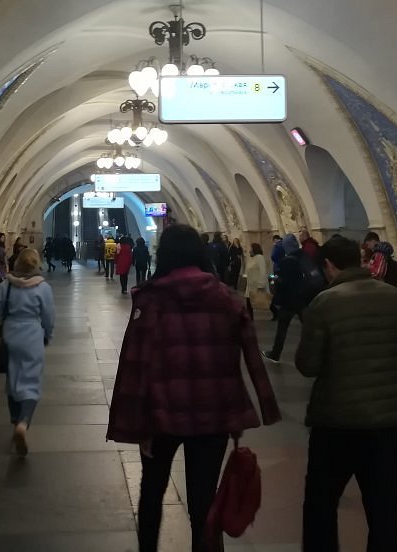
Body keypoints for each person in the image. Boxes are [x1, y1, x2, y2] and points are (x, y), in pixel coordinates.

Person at [107, 224, 282, 552]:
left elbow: (135, 364)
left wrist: (134, 423)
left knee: (152, 491)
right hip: (212, 414)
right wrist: (261, 406)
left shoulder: (150, 298)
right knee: (204, 500)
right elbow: (251, 361)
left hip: (159, 415)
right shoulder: (228, 299)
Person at [295, 235, 397, 552]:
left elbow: (308, 365)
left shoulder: (325, 302)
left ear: (328, 265)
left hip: (336, 422)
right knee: (385, 511)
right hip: (388, 425)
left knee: (321, 506)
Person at [0, 249, 55, 456]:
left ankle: (14, 421)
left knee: (13, 380)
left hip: (10, 334)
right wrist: (47, 334)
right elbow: (48, 317)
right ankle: (23, 423)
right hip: (32, 335)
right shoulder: (42, 287)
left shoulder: (5, 285)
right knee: (31, 382)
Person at [262, 234, 310, 363]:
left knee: (282, 329)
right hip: (303, 298)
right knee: (309, 327)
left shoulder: (286, 261)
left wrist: (273, 278)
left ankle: (275, 353)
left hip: (289, 300)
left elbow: (282, 281)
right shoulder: (305, 256)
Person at [243, 242, 269, 320]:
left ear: (254, 249)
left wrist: (261, 285)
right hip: (250, 285)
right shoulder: (251, 258)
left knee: (263, 300)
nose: (249, 251)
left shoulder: (259, 258)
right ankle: (250, 320)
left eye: (250, 249)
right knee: (248, 303)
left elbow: (263, 271)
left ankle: (275, 312)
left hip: (257, 284)